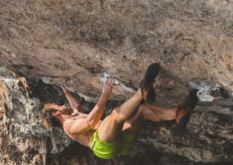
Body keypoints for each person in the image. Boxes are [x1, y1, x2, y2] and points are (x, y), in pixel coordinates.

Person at [41, 63, 199, 159]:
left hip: (120, 143)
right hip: (102, 146)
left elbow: (75, 106)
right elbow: (90, 121)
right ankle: (141, 92)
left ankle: (177, 114)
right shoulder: (68, 127)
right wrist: (104, 97)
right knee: (116, 115)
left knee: (142, 110)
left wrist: (66, 92)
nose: (61, 105)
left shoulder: (74, 115)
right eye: (58, 106)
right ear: (56, 114)